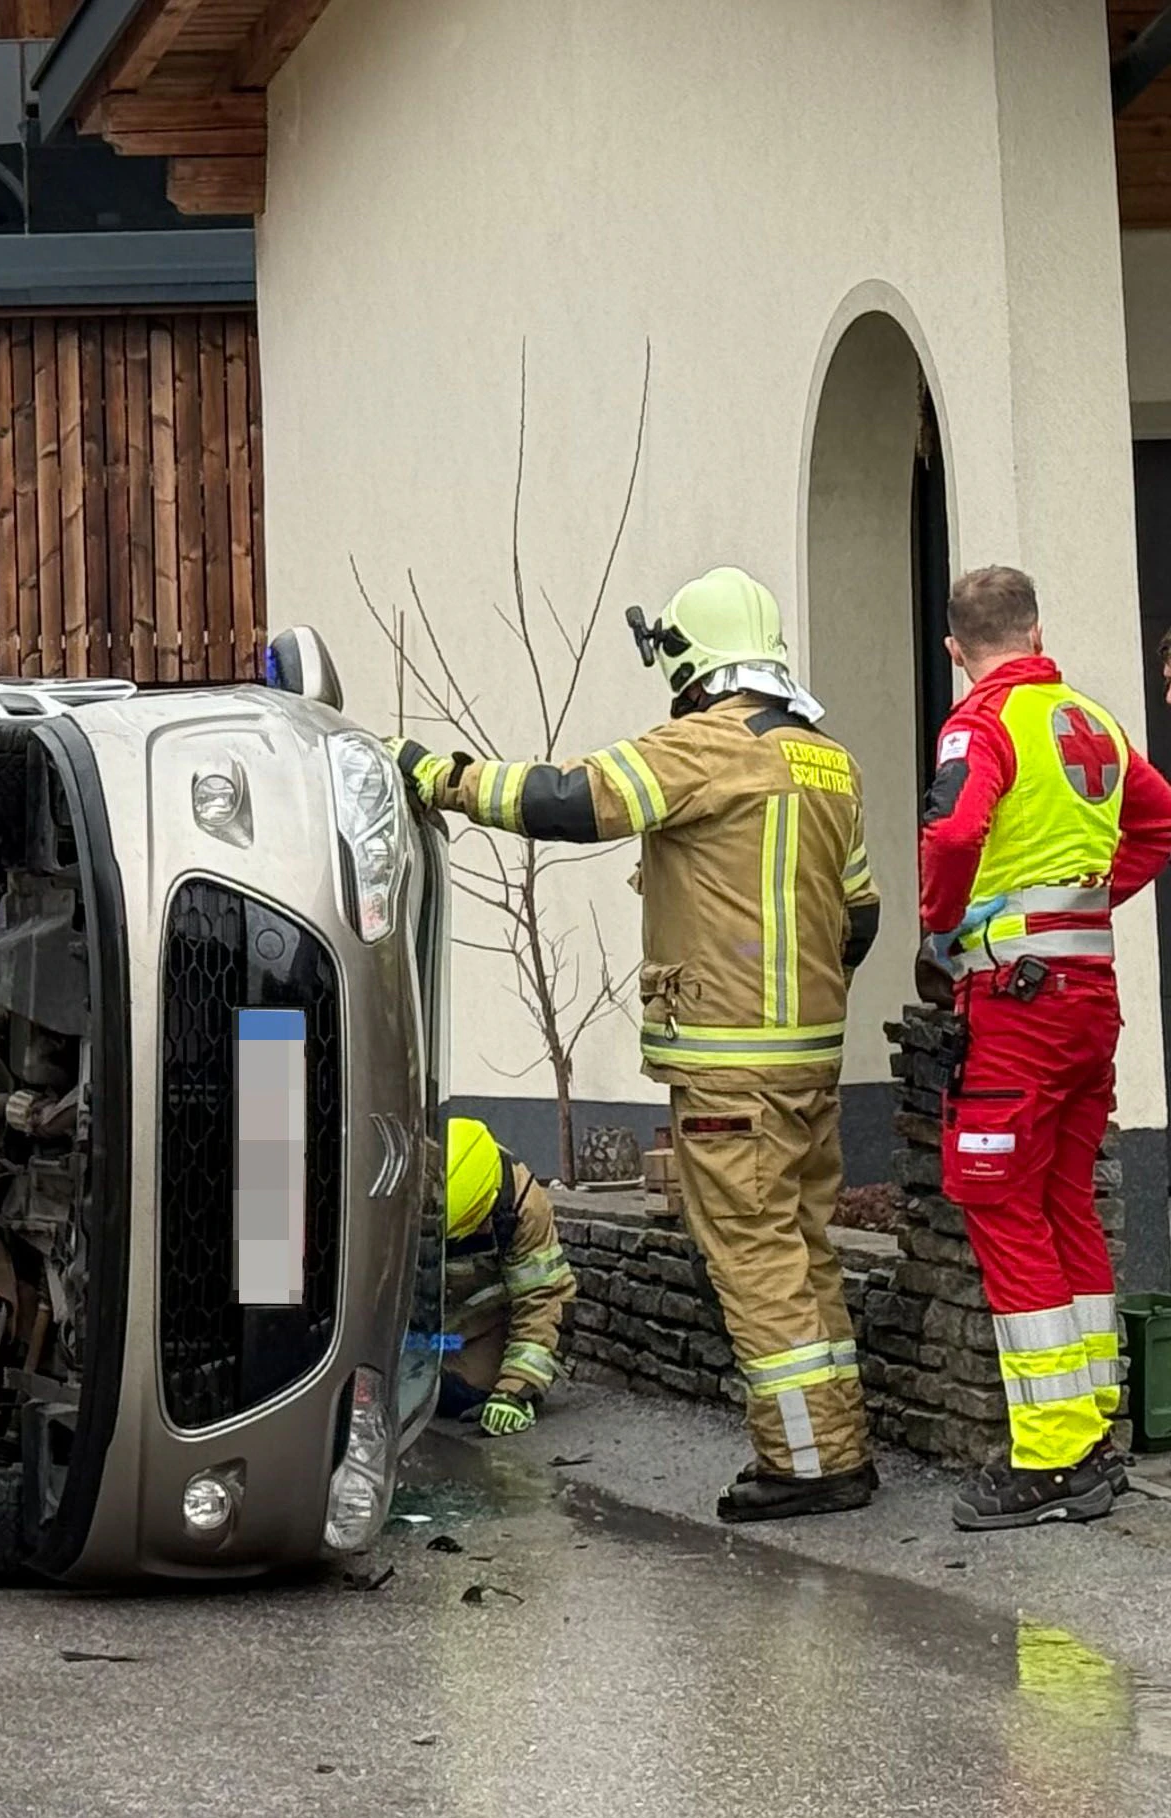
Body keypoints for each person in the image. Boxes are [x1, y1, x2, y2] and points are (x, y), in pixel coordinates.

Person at [391, 565, 882, 1522]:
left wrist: (437, 777)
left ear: (691, 660)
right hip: (811, 1064)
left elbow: (569, 800)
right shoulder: (831, 762)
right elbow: (857, 918)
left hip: (731, 1067)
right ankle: (838, 1446)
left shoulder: (706, 746)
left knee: (755, 1261)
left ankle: (809, 1465)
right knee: (804, 1252)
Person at [917, 565, 1171, 1530]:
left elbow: (952, 836)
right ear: (1035, 631)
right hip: (1088, 1001)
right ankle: (1093, 1427)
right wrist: (1087, 902)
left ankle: (1055, 1457)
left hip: (1014, 1004)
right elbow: (1157, 821)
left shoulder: (980, 723)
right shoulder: (1089, 720)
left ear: (956, 649)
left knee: (1000, 1200)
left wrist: (943, 929)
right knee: (1065, 1198)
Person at [436, 1118, 575, 1436]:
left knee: (462, 1394)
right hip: (417, 1332)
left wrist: (515, 1391)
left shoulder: (522, 1208)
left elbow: (545, 1298)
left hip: (473, 1330)